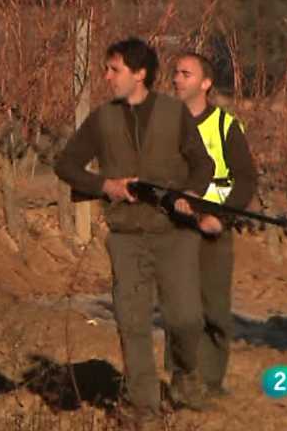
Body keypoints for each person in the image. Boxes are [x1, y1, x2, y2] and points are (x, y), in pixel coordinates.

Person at [54, 37, 214, 421]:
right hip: (126, 236)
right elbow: (66, 164)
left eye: (115, 70)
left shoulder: (174, 113)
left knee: (185, 320)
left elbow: (203, 165)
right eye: (107, 69)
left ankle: (186, 378)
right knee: (132, 321)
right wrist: (105, 185)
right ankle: (144, 406)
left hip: (175, 233)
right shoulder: (101, 119)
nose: (107, 77)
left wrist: (191, 194)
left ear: (139, 74)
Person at [170, 52, 257, 397]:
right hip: (175, 229)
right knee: (180, 312)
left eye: (185, 74)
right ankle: (181, 382)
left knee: (215, 311)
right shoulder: (164, 125)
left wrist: (220, 218)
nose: (176, 79)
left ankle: (211, 383)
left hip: (214, 230)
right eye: (175, 73)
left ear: (205, 83)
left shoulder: (225, 126)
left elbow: (246, 179)